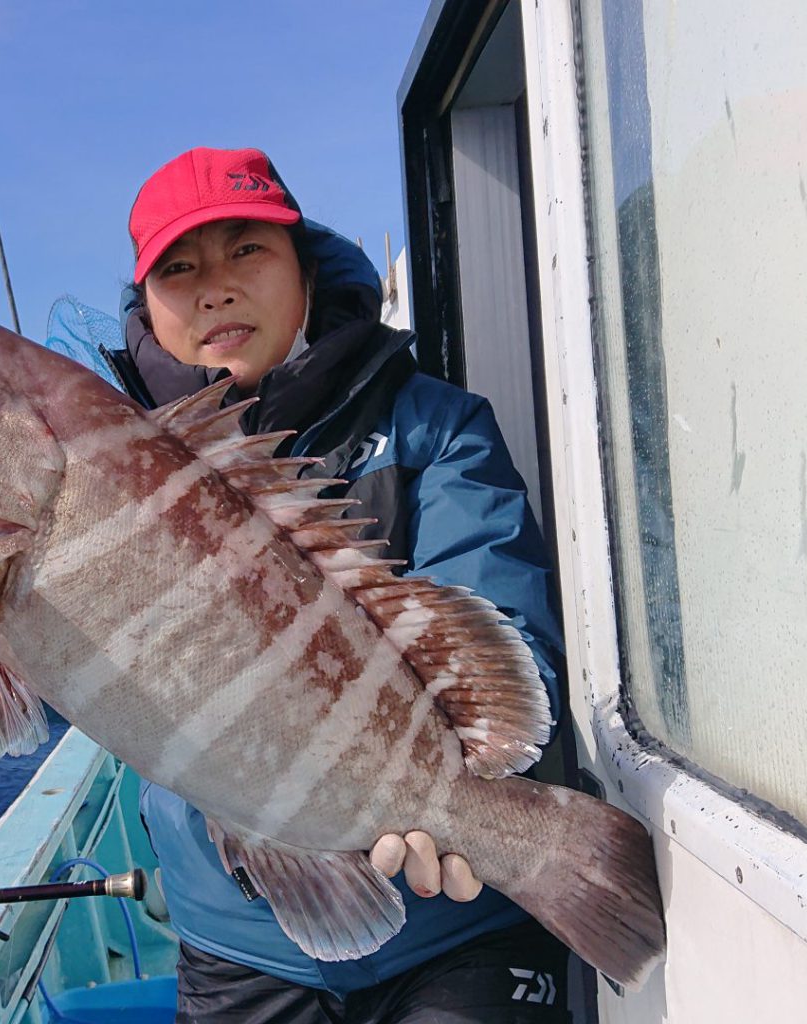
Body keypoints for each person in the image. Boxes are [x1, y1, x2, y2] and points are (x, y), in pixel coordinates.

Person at [76, 146, 574, 1023]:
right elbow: (48, 679)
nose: (215, 289)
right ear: (145, 306)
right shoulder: (103, 469)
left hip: (455, 923)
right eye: (179, 269)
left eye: (247, 250)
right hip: (237, 940)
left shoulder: (434, 425)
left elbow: (497, 620)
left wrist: (463, 788)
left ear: (305, 268)